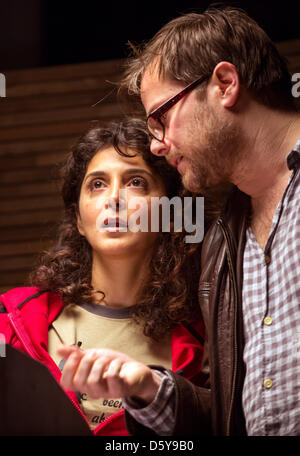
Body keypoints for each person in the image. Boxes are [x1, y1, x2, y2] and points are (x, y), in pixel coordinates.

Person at [117, 6, 300, 436]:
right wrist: (151, 389)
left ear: (224, 84)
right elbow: (231, 414)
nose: (157, 146)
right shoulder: (220, 246)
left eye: (161, 118)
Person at [0, 118, 207, 436]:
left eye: (135, 182)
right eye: (96, 184)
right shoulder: (12, 320)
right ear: (79, 220)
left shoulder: (208, 338)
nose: (114, 198)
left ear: (171, 212)